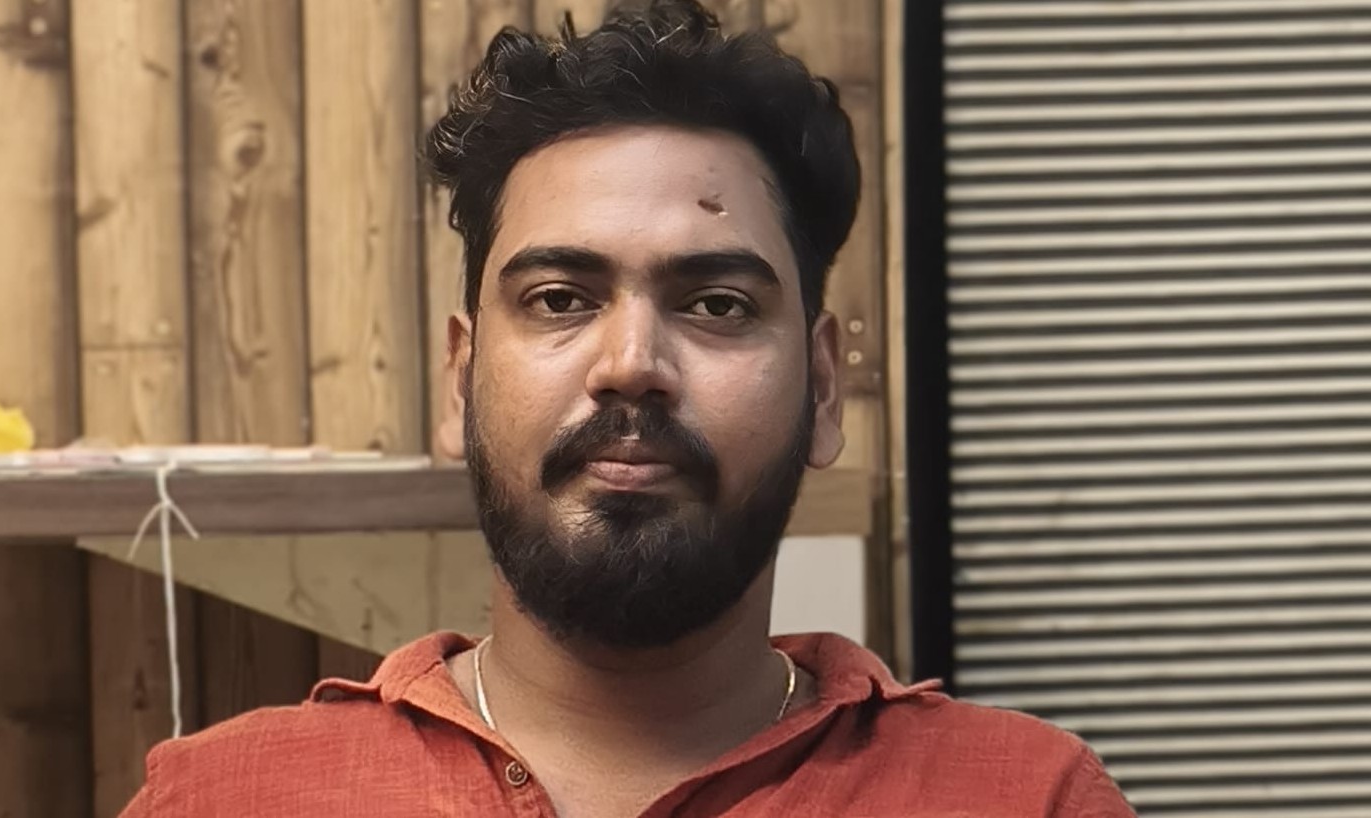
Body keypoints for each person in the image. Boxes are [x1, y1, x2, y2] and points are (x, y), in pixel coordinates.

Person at [121, 2, 1136, 815]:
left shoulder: (1025, 797)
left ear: (823, 387)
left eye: (717, 304)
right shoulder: (219, 799)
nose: (631, 365)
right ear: (459, 380)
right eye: (560, 299)